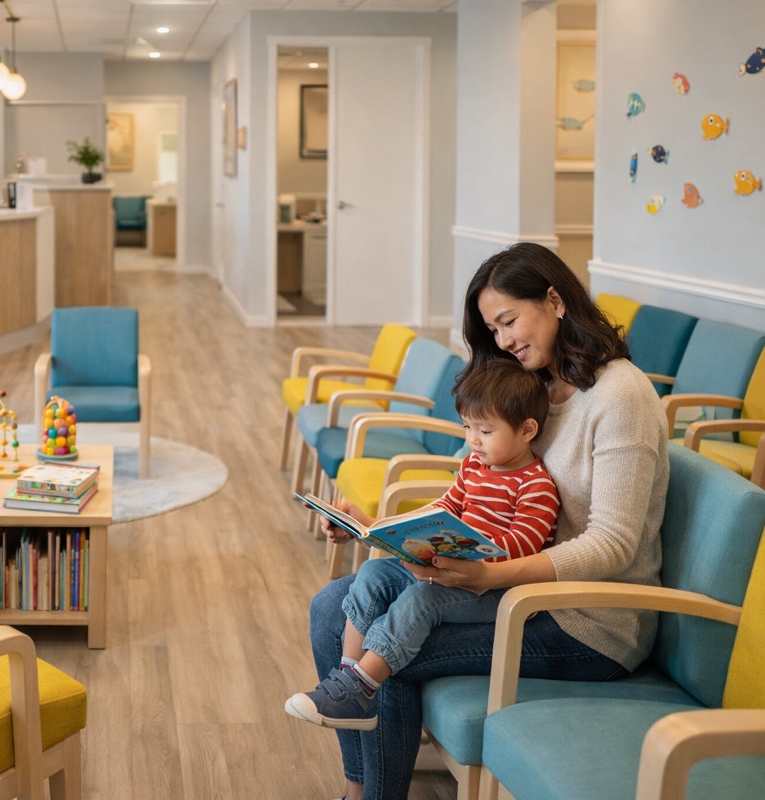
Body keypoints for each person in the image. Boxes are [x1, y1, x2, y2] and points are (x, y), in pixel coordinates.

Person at [305, 241, 670, 800]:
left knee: (388, 647)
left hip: (590, 622)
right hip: (510, 585)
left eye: (508, 321)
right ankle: (360, 787)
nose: (502, 341)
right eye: (492, 330)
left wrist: (489, 577)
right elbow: (466, 499)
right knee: (331, 605)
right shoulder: (530, 388)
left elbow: (614, 545)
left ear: (554, 300)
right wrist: (377, 526)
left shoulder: (621, 397)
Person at [286, 358, 560, 731]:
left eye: (485, 430)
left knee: (420, 600)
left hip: (493, 590)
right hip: (452, 568)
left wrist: (463, 552)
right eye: (467, 427)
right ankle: (350, 685)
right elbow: (445, 507)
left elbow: (522, 545)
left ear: (527, 430)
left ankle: (361, 686)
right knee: (371, 572)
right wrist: (372, 526)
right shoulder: (474, 467)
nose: (472, 441)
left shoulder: (536, 486)